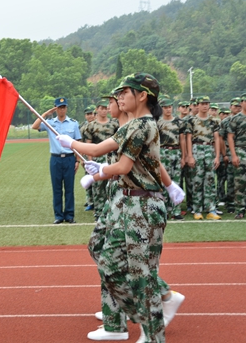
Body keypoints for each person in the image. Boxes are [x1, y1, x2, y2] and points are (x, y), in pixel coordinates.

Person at [57, 74, 181, 342]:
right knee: (110, 264)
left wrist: (95, 165)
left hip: (143, 205)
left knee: (141, 275)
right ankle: (149, 318)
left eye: (125, 92)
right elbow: (102, 148)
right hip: (131, 202)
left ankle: (152, 332)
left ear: (142, 96)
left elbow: (122, 165)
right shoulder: (134, 125)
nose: (120, 97)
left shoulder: (142, 126)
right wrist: (76, 147)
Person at [31, 97, 81, 224]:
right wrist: (45, 114)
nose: (62, 110)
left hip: (69, 159)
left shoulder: (73, 123)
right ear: (56, 108)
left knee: (69, 189)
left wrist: (77, 161)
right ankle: (58, 216)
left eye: (64, 107)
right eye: (59, 107)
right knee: (57, 188)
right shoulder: (49, 123)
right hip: (55, 159)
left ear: (66, 108)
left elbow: (77, 142)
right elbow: (34, 126)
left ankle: (69, 215)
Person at [185, 96, 221, 220]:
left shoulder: (214, 121)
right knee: (197, 181)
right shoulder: (192, 120)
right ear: (198, 105)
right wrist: (190, 156)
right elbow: (188, 138)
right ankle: (197, 209)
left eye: (207, 103)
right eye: (202, 103)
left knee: (210, 181)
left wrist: (217, 156)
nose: (205, 106)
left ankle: (211, 209)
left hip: (209, 150)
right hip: (197, 149)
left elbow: (216, 138)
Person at [84, 99, 118, 219]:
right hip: (97, 159)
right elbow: (88, 144)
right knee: (98, 187)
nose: (104, 111)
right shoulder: (91, 126)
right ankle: (98, 212)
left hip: (111, 158)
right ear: (97, 109)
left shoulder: (114, 124)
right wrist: (90, 161)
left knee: (112, 185)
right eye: (101, 108)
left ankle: (112, 212)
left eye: (105, 108)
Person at [157, 98, 185, 220]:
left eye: (169, 107)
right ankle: (163, 209)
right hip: (162, 152)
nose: (168, 109)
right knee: (163, 181)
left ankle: (176, 210)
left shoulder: (179, 122)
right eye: (165, 107)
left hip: (176, 151)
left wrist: (184, 156)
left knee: (176, 181)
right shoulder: (157, 122)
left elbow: (182, 139)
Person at [80, 105, 97, 211]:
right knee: (89, 178)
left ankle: (100, 201)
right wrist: (82, 158)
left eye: (92, 114)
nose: (90, 116)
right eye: (88, 114)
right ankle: (90, 201)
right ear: (85, 116)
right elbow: (80, 142)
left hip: (99, 155)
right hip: (87, 156)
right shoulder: (82, 127)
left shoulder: (98, 125)